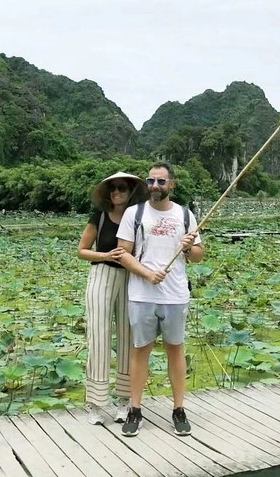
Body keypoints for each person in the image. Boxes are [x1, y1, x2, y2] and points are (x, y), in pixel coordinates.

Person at [116, 162, 204, 437]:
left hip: (175, 294)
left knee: (175, 349)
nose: (155, 186)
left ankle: (179, 409)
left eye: (161, 182)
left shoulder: (185, 216)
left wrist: (190, 247)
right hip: (142, 294)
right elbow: (123, 252)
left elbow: (199, 255)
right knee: (140, 350)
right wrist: (146, 273)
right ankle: (135, 409)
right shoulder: (135, 213)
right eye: (151, 181)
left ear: (171, 185)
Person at [77, 171, 149, 425]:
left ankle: (124, 400)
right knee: (98, 336)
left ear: (130, 191)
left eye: (121, 188)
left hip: (130, 279)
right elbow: (82, 251)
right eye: (112, 188)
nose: (116, 192)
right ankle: (95, 403)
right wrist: (106, 256)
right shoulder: (100, 216)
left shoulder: (137, 218)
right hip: (102, 276)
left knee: (129, 338)